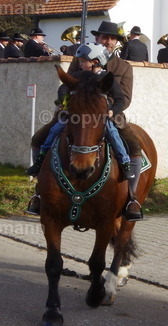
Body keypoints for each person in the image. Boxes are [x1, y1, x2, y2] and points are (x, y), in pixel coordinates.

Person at [24, 44, 133, 215]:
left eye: (83, 61)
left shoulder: (106, 77)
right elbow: (63, 87)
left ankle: (125, 162)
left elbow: (120, 99)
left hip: (101, 118)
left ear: (96, 61)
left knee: (112, 133)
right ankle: (40, 163)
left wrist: (112, 110)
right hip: (75, 117)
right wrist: (64, 101)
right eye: (80, 60)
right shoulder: (78, 76)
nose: (80, 63)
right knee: (53, 131)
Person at [92, 20, 145, 220]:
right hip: (80, 114)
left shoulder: (123, 67)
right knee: (42, 137)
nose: (107, 41)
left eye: (112, 38)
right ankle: (40, 193)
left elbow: (126, 98)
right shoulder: (81, 59)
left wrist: (110, 110)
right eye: (104, 37)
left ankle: (132, 198)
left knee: (134, 148)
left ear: (116, 42)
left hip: (112, 116)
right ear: (96, 38)